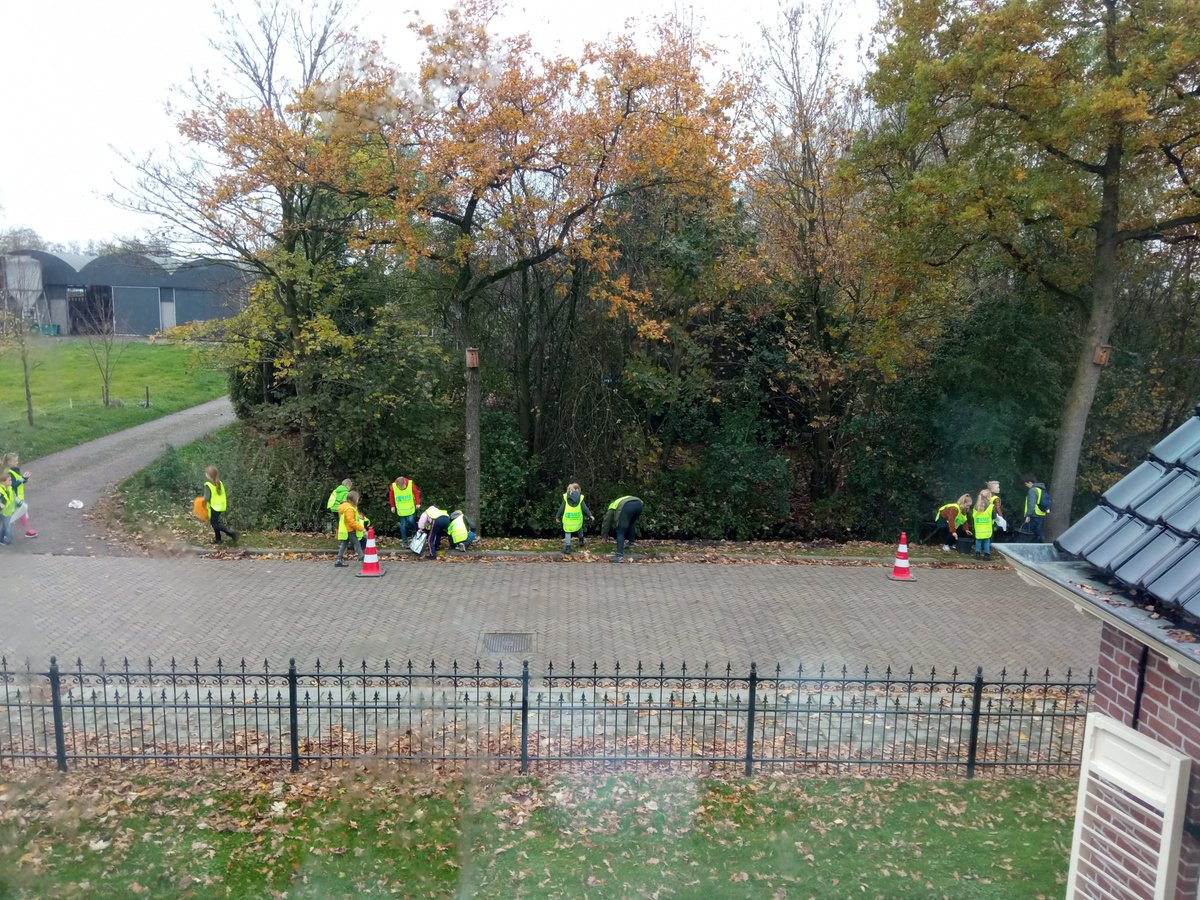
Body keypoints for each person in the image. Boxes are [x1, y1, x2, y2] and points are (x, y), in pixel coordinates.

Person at [601, 495, 643, 563]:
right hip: (639, 504)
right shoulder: (619, 501)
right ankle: (631, 544)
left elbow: (606, 521)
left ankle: (619, 556)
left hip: (627, 506)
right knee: (631, 523)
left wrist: (604, 537)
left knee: (620, 530)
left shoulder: (612, 506)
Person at [556, 482, 595, 555]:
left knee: (567, 532)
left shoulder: (566, 497)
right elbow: (585, 508)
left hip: (568, 521)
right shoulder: (580, 498)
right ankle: (581, 541)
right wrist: (590, 515)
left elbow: (561, 508)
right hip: (577, 520)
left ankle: (568, 548)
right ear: (578, 489)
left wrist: (557, 517)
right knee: (579, 527)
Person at [203, 466, 238, 545]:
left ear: (209, 475)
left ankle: (231, 533)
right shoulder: (219, 482)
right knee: (216, 522)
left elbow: (207, 498)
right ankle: (218, 539)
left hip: (214, 507)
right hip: (220, 506)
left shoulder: (208, 485)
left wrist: (201, 501)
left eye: (206, 473)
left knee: (214, 523)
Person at [3, 453, 36, 537]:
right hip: (13, 497)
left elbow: (19, 481)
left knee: (21, 512)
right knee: (21, 512)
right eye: (15, 461)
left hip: (19, 496)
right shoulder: (8, 472)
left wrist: (25, 478)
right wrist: (22, 479)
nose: (17, 462)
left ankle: (27, 530)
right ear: (9, 462)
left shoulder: (15, 470)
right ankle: (27, 530)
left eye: (17, 460)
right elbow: (12, 485)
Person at [335, 490, 367, 568]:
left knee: (344, 544)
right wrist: (362, 529)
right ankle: (363, 558)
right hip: (349, 530)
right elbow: (351, 522)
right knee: (357, 543)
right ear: (354, 500)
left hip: (346, 530)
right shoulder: (349, 509)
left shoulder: (345, 506)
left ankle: (339, 559)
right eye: (358, 499)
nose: (358, 501)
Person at [389, 476, 421, 543]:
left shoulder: (410, 484)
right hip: (401, 510)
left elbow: (416, 493)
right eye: (400, 487)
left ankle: (414, 533)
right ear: (397, 484)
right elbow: (391, 496)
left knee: (411, 520)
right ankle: (404, 542)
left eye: (403, 486)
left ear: (405, 482)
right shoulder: (393, 486)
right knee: (403, 526)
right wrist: (392, 506)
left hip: (410, 508)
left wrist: (418, 503)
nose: (402, 488)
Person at [1022, 474, 1050, 541]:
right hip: (1041, 514)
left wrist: (1028, 515)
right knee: (1038, 532)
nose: (1026, 486)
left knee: (1027, 532)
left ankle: (1026, 547)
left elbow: (1031, 504)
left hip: (1034, 515)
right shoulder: (1040, 489)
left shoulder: (1033, 490)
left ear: (1030, 482)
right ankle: (1041, 546)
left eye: (1026, 484)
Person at [971, 489, 995, 561]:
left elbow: (973, 516)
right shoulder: (990, 506)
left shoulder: (976, 506)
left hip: (978, 528)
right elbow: (994, 516)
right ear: (988, 497)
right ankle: (987, 555)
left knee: (978, 541)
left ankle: (977, 555)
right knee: (986, 541)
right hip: (987, 529)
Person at [0, 471, 18, 545]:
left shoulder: (9, 488)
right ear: (2, 482)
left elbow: (12, 499)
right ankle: (7, 539)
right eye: (9, 480)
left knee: (5, 525)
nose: (11, 481)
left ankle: (1, 539)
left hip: (6, 511)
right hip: (3, 511)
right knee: (7, 526)